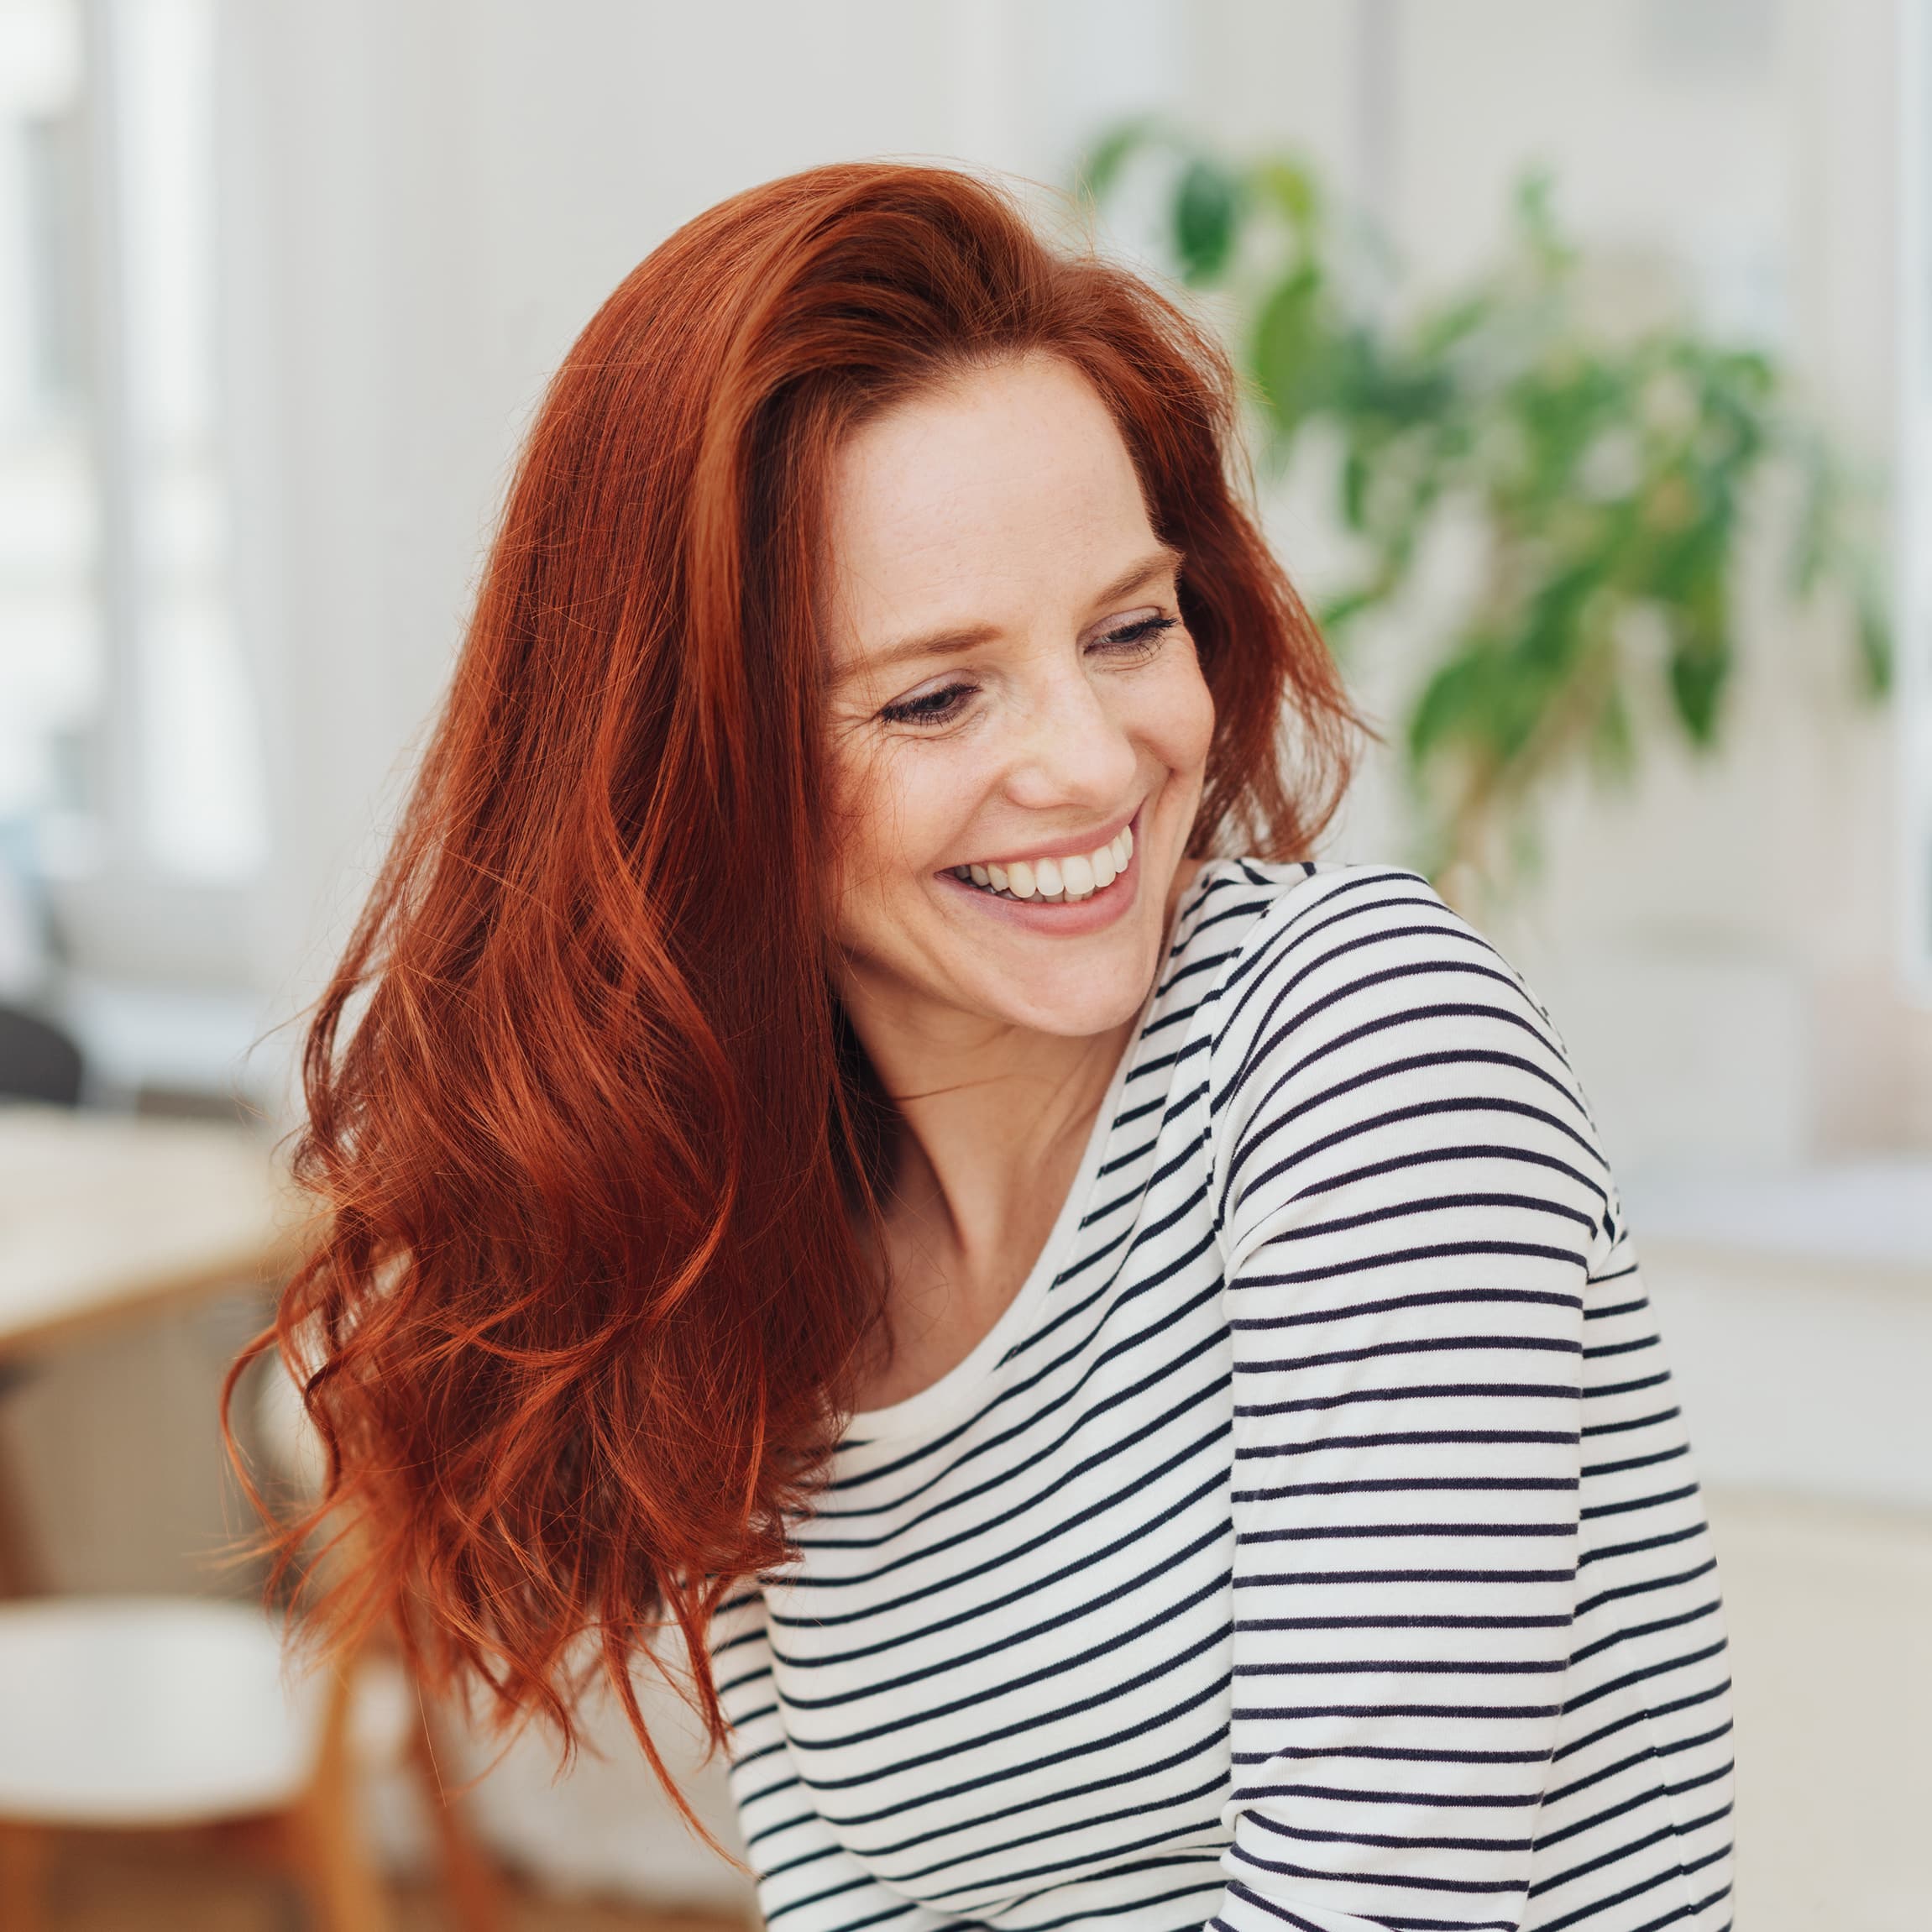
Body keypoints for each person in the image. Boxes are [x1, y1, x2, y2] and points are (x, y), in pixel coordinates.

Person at [242, 164, 1734, 1932]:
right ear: (697, 772)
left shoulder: (1360, 1053)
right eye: (936, 693)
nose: (1095, 765)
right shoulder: (770, 1258)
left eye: (1126, 628)